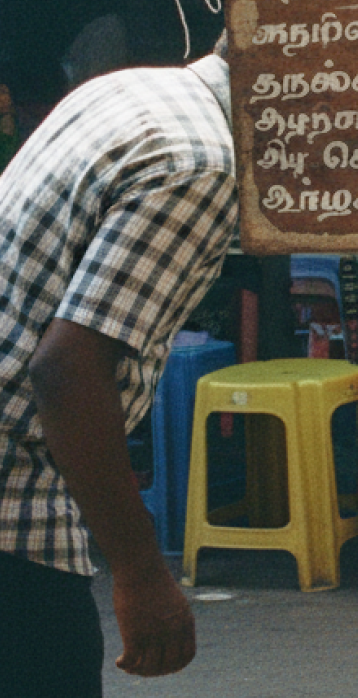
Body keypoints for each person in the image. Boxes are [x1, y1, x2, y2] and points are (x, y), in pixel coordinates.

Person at [0, 38, 234, 695]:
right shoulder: (200, 163)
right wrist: (139, 569)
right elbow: (66, 370)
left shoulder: (130, 90)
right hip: (13, 504)